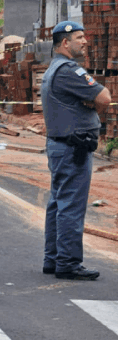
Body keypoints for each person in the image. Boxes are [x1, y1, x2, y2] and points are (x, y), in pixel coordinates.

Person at [42, 20, 111, 281]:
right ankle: (69, 263)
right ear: (64, 43)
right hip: (74, 149)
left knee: (58, 204)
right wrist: (95, 110)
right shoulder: (69, 70)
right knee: (71, 206)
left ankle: (53, 259)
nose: (84, 41)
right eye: (79, 38)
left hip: (60, 146)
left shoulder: (53, 69)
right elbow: (104, 97)